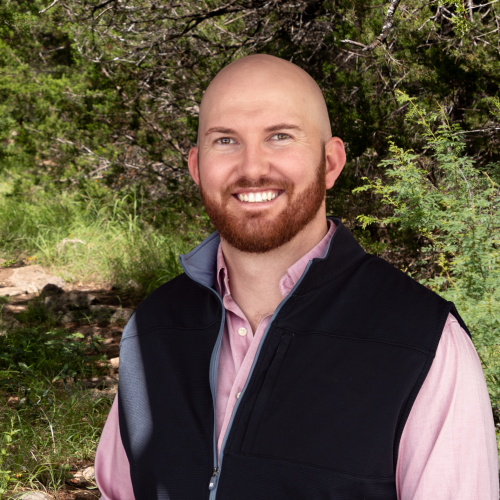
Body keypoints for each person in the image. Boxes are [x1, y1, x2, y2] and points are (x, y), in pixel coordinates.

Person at [94, 54, 499, 500]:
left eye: (280, 137)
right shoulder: (151, 330)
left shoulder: (424, 342)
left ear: (331, 163)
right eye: (226, 140)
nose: (252, 168)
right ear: (196, 167)